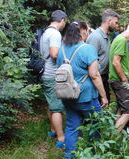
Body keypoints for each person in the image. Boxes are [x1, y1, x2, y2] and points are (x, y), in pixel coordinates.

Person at [56, 20, 108, 158]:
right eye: (88, 30)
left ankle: (69, 155)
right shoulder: (87, 49)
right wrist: (103, 96)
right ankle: (93, 152)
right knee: (94, 125)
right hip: (86, 97)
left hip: (68, 96)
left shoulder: (61, 49)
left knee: (72, 127)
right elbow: (95, 75)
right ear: (83, 31)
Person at [39, 10, 67, 147]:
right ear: (62, 20)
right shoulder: (55, 33)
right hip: (52, 74)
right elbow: (54, 54)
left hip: (45, 73)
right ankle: (61, 139)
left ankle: (52, 130)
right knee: (57, 108)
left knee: (51, 103)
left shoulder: (46, 32)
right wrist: (66, 59)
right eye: (64, 22)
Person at [86, 9, 119, 102]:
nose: (117, 26)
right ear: (109, 21)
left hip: (103, 77)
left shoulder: (107, 36)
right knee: (97, 106)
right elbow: (89, 60)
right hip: (95, 78)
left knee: (105, 103)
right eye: (115, 22)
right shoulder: (95, 37)